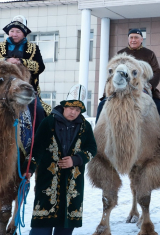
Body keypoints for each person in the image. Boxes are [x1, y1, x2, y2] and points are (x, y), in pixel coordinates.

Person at [24, 85, 97, 235]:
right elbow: (36, 148)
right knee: (40, 230)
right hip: (48, 183)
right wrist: (29, 169)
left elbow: (92, 149)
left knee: (64, 230)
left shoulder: (85, 126)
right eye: (71, 108)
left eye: (77, 110)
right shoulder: (48, 122)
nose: (73, 112)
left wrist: (77, 159)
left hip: (73, 186)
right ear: (64, 106)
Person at [96, 28, 160, 128]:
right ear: (128, 39)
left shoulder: (149, 54)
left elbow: (158, 72)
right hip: (121, 89)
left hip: (142, 88)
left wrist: (151, 85)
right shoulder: (120, 54)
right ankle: (97, 133)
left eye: (136, 37)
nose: (133, 40)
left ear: (141, 39)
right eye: (131, 37)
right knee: (102, 105)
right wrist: (106, 94)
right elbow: (112, 73)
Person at [0, 15, 47, 132]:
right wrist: (5, 60)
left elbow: (40, 67)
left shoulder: (33, 48)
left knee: (39, 112)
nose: (14, 34)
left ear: (24, 33)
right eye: (11, 31)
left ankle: (37, 143)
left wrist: (22, 62)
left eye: (18, 31)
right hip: (1, 89)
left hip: (27, 89)